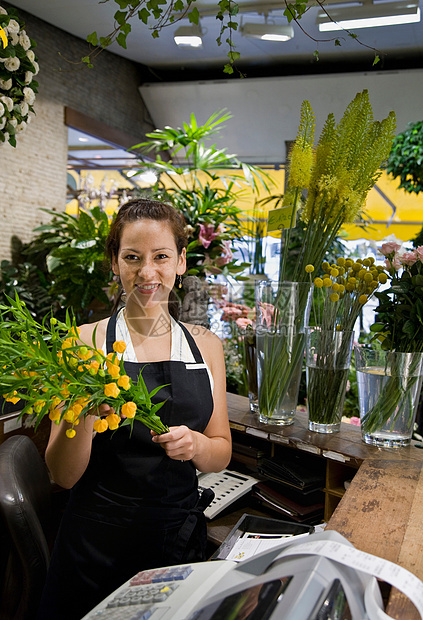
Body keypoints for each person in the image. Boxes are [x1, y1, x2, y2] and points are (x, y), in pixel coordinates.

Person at [36, 199, 232, 620]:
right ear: (114, 263)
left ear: (181, 262)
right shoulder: (83, 344)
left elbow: (220, 451)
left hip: (175, 544)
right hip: (95, 547)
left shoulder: (207, 346)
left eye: (161, 257)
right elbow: (61, 474)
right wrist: (86, 410)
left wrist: (197, 444)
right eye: (132, 258)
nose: (147, 272)